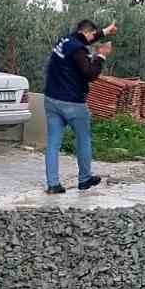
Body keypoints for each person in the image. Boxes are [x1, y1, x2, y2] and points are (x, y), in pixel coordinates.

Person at [42, 18, 117, 194]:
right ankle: (84, 179)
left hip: (51, 99)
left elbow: (87, 39)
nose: (93, 38)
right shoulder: (78, 50)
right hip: (73, 103)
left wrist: (106, 31)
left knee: (53, 143)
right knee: (83, 139)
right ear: (85, 33)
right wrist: (101, 55)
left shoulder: (66, 40)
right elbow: (90, 74)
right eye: (92, 34)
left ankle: (53, 184)